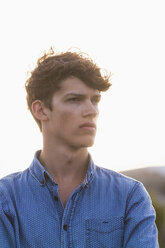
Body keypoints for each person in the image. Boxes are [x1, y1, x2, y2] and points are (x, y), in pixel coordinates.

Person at [0, 48, 159, 248]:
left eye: (95, 100)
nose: (91, 111)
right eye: (74, 99)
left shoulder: (130, 197)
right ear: (40, 110)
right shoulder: (5, 199)